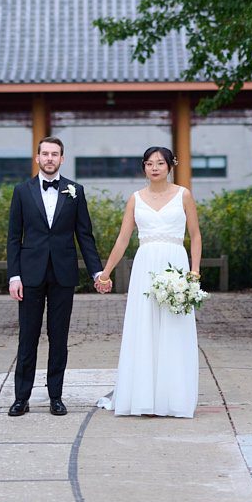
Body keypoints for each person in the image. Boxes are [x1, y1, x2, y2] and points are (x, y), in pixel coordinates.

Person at [95, 145, 202, 417]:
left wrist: (194, 271)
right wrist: (105, 272)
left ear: (169, 166)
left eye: (160, 163)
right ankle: (142, 396)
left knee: (174, 329)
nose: (155, 168)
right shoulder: (135, 198)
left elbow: (195, 235)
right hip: (145, 266)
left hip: (175, 264)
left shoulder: (183, 195)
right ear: (143, 167)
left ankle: (172, 399)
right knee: (144, 327)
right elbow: (123, 239)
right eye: (149, 163)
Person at [6, 136, 106, 417]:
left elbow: (84, 236)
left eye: (55, 154)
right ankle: (21, 398)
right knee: (27, 338)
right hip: (29, 275)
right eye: (45, 154)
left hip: (63, 274)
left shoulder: (76, 190)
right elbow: (14, 238)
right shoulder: (22, 191)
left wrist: (97, 271)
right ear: (37, 158)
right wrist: (14, 276)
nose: (50, 158)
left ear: (62, 159)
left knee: (58, 338)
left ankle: (56, 397)